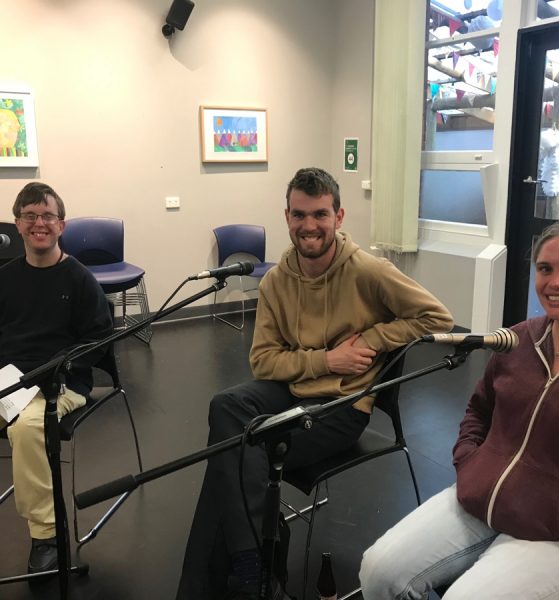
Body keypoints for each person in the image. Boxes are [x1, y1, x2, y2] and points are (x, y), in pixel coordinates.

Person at [176, 167, 453, 600]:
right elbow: (263, 362)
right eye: (300, 215)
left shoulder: (366, 270)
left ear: (339, 217)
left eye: (320, 214)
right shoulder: (275, 281)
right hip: (292, 390)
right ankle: (256, 574)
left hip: (343, 406)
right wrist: (328, 358)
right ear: (286, 216)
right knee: (226, 408)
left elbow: (437, 318)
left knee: (236, 455)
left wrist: (372, 340)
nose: (309, 226)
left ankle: (245, 576)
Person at [359, 220, 559, 600]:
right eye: (544, 269)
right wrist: (471, 464)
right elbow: (478, 411)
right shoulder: (520, 339)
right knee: (378, 573)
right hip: (487, 495)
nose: (555, 282)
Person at [0, 182, 112, 574]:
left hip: (61, 384)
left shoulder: (80, 279)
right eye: (30, 216)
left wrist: (57, 369)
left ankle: (46, 534)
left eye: (47, 216)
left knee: (28, 427)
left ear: (61, 225)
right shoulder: (6, 277)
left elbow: (98, 340)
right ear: (18, 225)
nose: (39, 223)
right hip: (8, 382)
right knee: (20, 419)